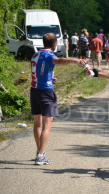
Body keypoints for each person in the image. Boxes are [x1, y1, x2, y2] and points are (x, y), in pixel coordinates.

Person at [30, 33, 86, 165]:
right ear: (54, 44)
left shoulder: (35, 55)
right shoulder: (49, 55)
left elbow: (39, 71)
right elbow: (59, 61)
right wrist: (75, 60)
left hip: (34, 91)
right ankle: (40, 155)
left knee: (37, 124)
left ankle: (40, 151)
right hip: (46, 93)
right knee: (46, 126)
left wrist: (50, 78)